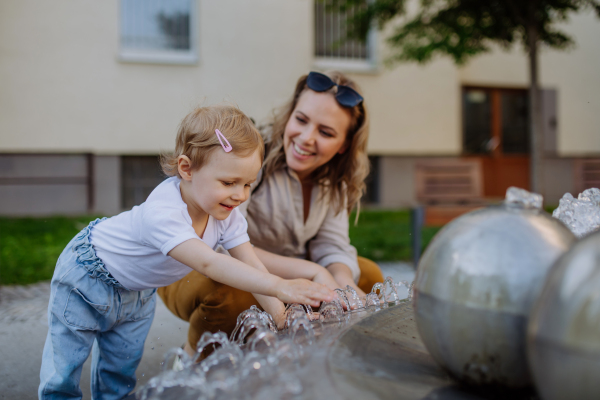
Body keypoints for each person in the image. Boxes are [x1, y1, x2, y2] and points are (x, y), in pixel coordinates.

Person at [38, 105, 335, 400]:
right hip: (87, 276)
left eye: (248, 183)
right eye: (229, 182)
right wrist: (282, 285)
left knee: (119, 374)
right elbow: (209, 262)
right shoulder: (163, 212)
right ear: (187, 169)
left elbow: (250, 262)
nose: (240, 195)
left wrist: (281, 315)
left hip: (137, 293)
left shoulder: (227, 215)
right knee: (64, 371)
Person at [158, 71, 384, 358]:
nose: (306, 138)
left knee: (367, 277)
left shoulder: (334, 182)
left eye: (325, 132)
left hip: (271, 271)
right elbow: (227, 247)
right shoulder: (249, 157)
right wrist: (313, 272)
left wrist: (346, 288)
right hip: (196, 264)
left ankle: (326, 356)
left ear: (344, 145)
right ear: (290, 115)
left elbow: (332, 247)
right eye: (301, 120)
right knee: (233, 293)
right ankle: (194, 357)